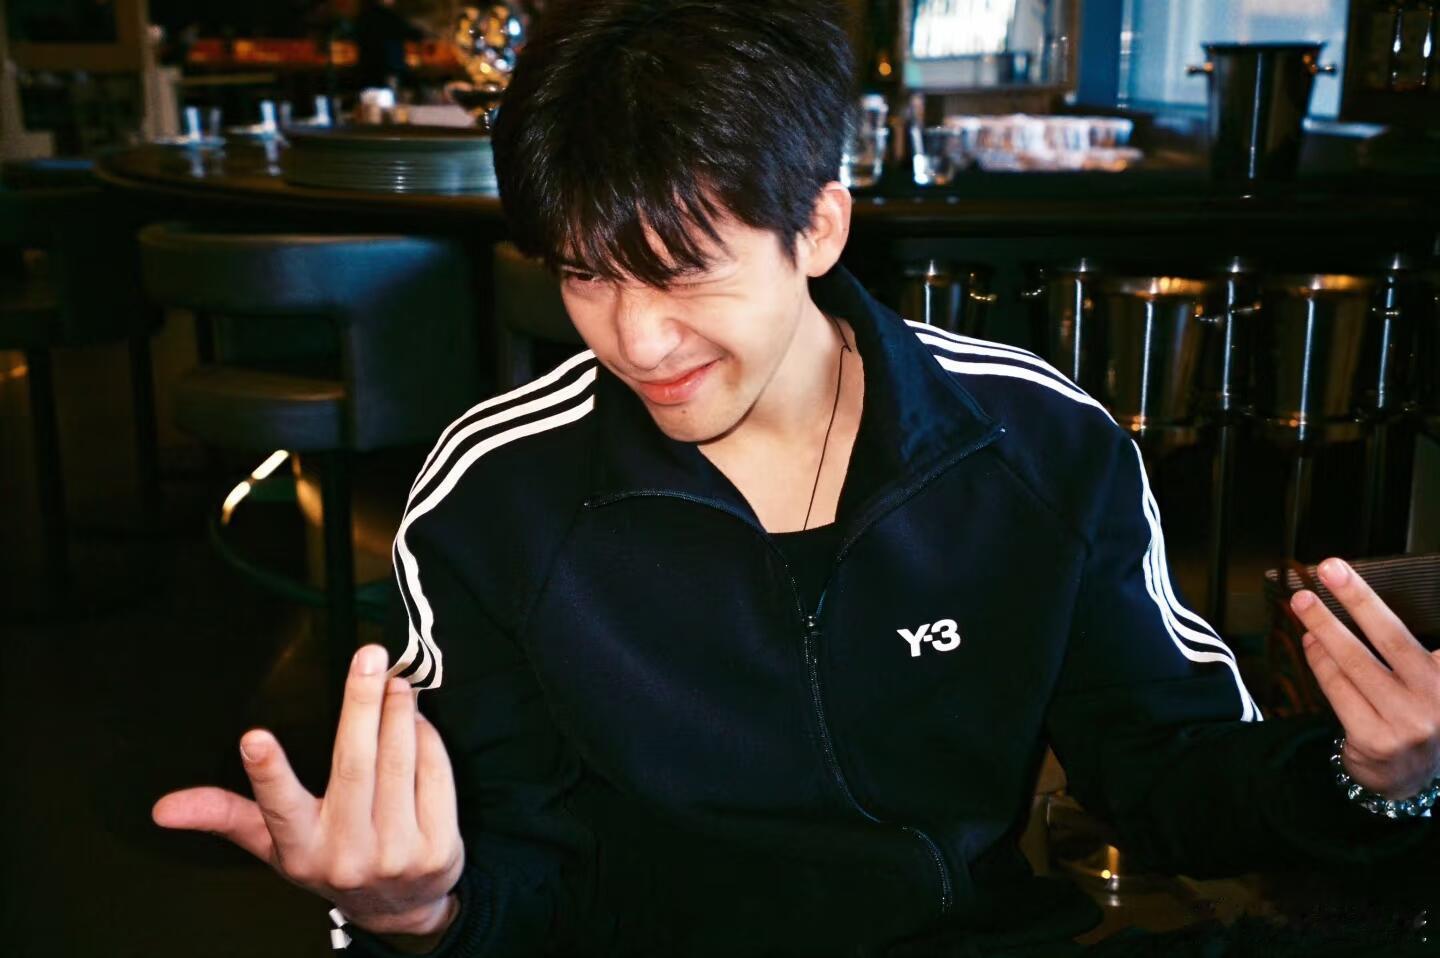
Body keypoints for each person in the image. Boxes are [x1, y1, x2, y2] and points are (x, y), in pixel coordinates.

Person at [152, 2, 1440, 955]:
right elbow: (519, 875)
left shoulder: (1033, 442)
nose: (633, 338)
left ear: (818, 225)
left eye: (683, 270)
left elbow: (1165, 773)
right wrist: (416, 913)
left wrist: (1371, 780)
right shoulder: (494, 497)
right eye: (585, 274)